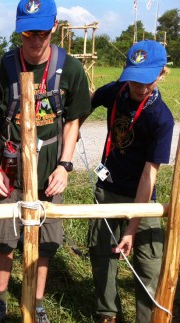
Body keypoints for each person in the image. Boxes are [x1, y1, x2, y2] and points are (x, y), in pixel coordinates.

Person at [0, 1, 91, 322]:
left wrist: (65, 166)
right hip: (10, 165)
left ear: (54, 27)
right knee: (3, 239)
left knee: (48, 241)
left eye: (42, 32)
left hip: (50, 169)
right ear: (19, 29)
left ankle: (37, 303)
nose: (35, 40)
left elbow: (72, 122)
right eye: (28, 32)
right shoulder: (1, 68)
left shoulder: (69, 69)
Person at [85, 40, 172, 323]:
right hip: (107, 187)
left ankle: (147, 318)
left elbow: (150, 175)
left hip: (142, 197)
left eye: (147, 79)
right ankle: (107, 313)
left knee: (149, 264)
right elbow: (90, 99)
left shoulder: (161, 119)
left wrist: (132, 228)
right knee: (101, 255)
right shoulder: (117, 91)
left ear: (162, 74)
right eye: (134, 78)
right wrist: (74, 126)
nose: (140, 86)